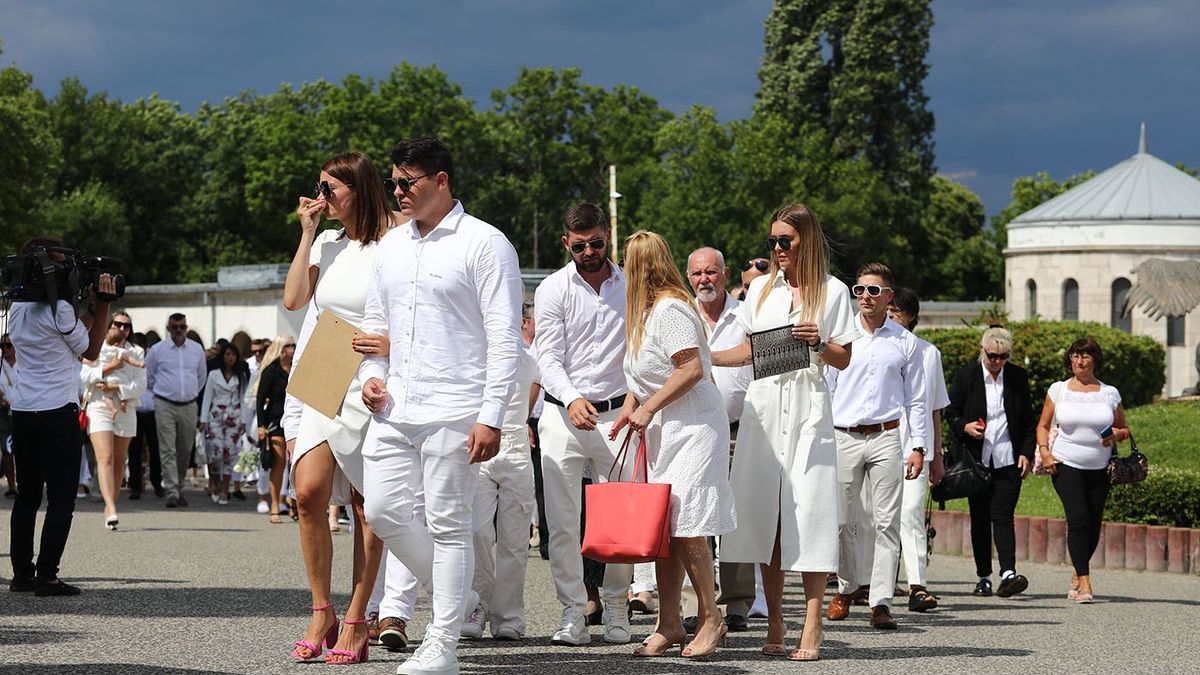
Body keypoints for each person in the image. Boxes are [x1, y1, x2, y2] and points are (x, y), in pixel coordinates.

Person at [358, 137, 523, 675]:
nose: (399, 192)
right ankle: (463, 601)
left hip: (457, 405)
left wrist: (491, 415)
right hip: (395, 406)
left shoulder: (485, 243)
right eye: (394, 183)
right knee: (382, 511)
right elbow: (374, 327)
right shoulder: (390, 246)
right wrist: (374, 376)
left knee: (450, 524)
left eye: (409, 182)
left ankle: (443, 642)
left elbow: (505, 340)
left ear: (442, 180)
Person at [711, 204, 856, 662]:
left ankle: (812, 624)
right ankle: (775, 619)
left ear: (807, 240)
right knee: (766, 517)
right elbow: (750, 351)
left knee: (810, 513)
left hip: (809, 407)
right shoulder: (761, 290)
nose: (776, 250)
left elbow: (844, 357)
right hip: (764, 404)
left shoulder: (832, 291)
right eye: (771, 241)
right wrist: (703, 357)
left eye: (784, 242)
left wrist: (820, 342)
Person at [283, 150, 398, 665]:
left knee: (366, 503)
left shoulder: (396, 240)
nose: (322, 196)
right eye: (320, 187)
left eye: (331, 188)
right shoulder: (327, 243)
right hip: (327, 358)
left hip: (370, 363)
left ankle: (357, 615)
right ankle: (320, 608)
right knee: (307, 492)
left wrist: (392, 348)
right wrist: (306, 232)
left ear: (359, 188)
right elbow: (293, 301)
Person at [610, 231, 737, 659]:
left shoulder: (669, 310)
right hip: (667, 426)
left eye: (627, 262)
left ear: (641, 265)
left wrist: (649, 408)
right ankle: (669, 622)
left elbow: (691, 370)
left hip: (696, 423)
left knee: (685, 522)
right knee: (665, 526)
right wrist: (632, 407)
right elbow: (643, 376)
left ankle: (710, 617)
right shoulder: (645, 313)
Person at [533, 203, 636, 648]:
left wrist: (635, 401)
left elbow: (638, 348)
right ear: (566, 243)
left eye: (596, 242)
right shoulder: (553, 287)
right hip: (563, 413)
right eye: (580, 246)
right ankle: (573, 612)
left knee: (621, 519)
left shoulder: (631, 283)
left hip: (619, 415)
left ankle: (616, 606)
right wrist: (572, 397)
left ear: (608, 235)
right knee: (561, 523)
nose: (589, 251)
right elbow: (547, 356)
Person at [8, 238, 116, 596]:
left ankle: (22, 574)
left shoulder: (18, 310)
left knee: (26, 496)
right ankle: (48, 576)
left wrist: (85, 309)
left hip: (23, 411)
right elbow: (91, 349)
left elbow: (67, 333)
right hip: (57, 412)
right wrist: (102, 305)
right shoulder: (60, 311)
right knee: (61, 498)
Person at [825, 264, 929, 631]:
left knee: (887, 523)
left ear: (889, 297)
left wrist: (918, 446)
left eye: (873, 291)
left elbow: (917, 400)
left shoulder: (905, 342)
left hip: (887, 435)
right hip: (843, 434)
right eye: (859, 290)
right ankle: (846, 588)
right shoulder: (840, 336)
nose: (865, 297)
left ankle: (880, 601)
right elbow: (828, 390)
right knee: (841, 521)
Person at [684, 246, 754, 633]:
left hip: (739, 428)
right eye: (696, 274)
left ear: (725, 274)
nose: (703, 280)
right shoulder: (681, 313)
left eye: (710, 272)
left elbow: (757, 356)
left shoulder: (746, 315)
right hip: (693, 430)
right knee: (694, 515)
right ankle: (697, 603)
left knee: (736, 516)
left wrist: (708, 357)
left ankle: (739, 602)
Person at [946, 326, 1036, 598]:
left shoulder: (1018, 377)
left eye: (1003, 356)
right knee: (980, 519)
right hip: (977, 460)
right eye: (992, 355)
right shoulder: (967, 376)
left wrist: (1026, 452)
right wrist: (966, 427)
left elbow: (1029, 420)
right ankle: (983, 576)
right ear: (982, 351)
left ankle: (1008, 573)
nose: (997, 362)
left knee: (1003, 515)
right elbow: (951, 412)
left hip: (1008, 458)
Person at [1036, 338, 1128, 604]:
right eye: (1075, 356)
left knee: (1093, 525)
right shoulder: (1059, 390)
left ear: (1095, 360)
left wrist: (1116, 434)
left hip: (1099, 468)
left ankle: (1077, 573)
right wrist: (1045, 452)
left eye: (1086, 356)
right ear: (1070, 360)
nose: (1080, 361)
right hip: (1066, 463)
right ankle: (1086, 583)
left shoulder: (1109, 393)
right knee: (1078, 520)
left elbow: (1124, 429)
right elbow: (1043, 425)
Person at [461, 338, 538, 641]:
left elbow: (542, 381)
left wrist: (526, 418)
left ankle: (508, 615)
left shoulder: (529, 355)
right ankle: (477, 607)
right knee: (476, 531)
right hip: (478, 445)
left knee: (514, 538)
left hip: (515, 446)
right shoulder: (472, 345)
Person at [886, 288, 948, 610]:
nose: (893, 314)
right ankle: (871, 584)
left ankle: (917, 584)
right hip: (878, 443)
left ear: (911, 316)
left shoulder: (928, 353)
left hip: (916, 447)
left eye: (898, 310)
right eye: (890, 308)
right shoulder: (871, 347)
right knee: (873, 517)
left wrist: (936, 456)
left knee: (910, 514)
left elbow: (935, 408)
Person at [80, 311, 146, 530]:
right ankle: (110, 506)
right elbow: (84, 376)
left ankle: (111, 505)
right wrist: (109, 369)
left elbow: (141, 384)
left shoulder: (136, 351)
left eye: (127, 326)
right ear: (109, 326)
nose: (122, 329)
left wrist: (116, 387)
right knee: (105, 457)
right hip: (99, 405)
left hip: (125, 407)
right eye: (117, 324)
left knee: (119, 460)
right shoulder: (97, 347)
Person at [145, 313, 207, 508]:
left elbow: (201, 377)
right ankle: (172, 490)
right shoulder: (157, 350)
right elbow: (149, 376)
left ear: (186, 328)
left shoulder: (196, 350)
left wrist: (188, 393)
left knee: (185, 449)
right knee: (167, 449)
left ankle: (179, 486)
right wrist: (166, 392)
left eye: (182, 327)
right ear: (169, 328)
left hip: (189, 405)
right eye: (175, 327)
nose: (178, 330)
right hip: (165, 404)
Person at [200, 342, 247, 505]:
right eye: (228, 354)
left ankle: (225, 488)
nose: (231, 357)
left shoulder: (240, 375)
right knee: (216, 452)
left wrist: (244, 421)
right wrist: (203, 419)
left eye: (233, 354)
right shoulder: (213, 374)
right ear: (223, 356)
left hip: (234, 418)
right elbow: (207, 397)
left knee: (229, 453)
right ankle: (215, 480)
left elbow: (243, 398)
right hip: (215, 417)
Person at [254, 337, 294, 523]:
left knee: (296, 463)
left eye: (293, 345)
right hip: (275, 420)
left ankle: (292, 501)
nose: (292, 348)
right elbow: (260, 398)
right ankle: (275, 504)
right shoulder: (272, 370)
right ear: (281, 349)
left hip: (296, 419)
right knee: (279, 463)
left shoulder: (297, 367)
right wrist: (261, 425)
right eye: (289, 345)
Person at [522, 302, 550, 561]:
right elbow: (531, 384)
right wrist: (524, 421)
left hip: (546, 417)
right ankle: (542, 538)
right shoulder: (528, 350)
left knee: (545, 483)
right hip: (531, 420)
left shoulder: (542, 344)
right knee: (537, 484)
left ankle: (547, 540)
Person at [126, 331, 163, 500]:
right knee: (134, 450)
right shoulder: (130, 362)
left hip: (153, 410)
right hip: (136, 410)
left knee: (155, 450)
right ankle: (135, 485)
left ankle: (156, 482)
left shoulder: (152, 363)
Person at [1, 334, 21, 498]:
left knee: (26, 450)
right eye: (2, 346)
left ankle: (26, 483)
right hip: (5, 412)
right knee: (7, 450)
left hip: (25, 410)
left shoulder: (25, 362)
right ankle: (11, 485)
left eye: (8, 345)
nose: (5, 349)